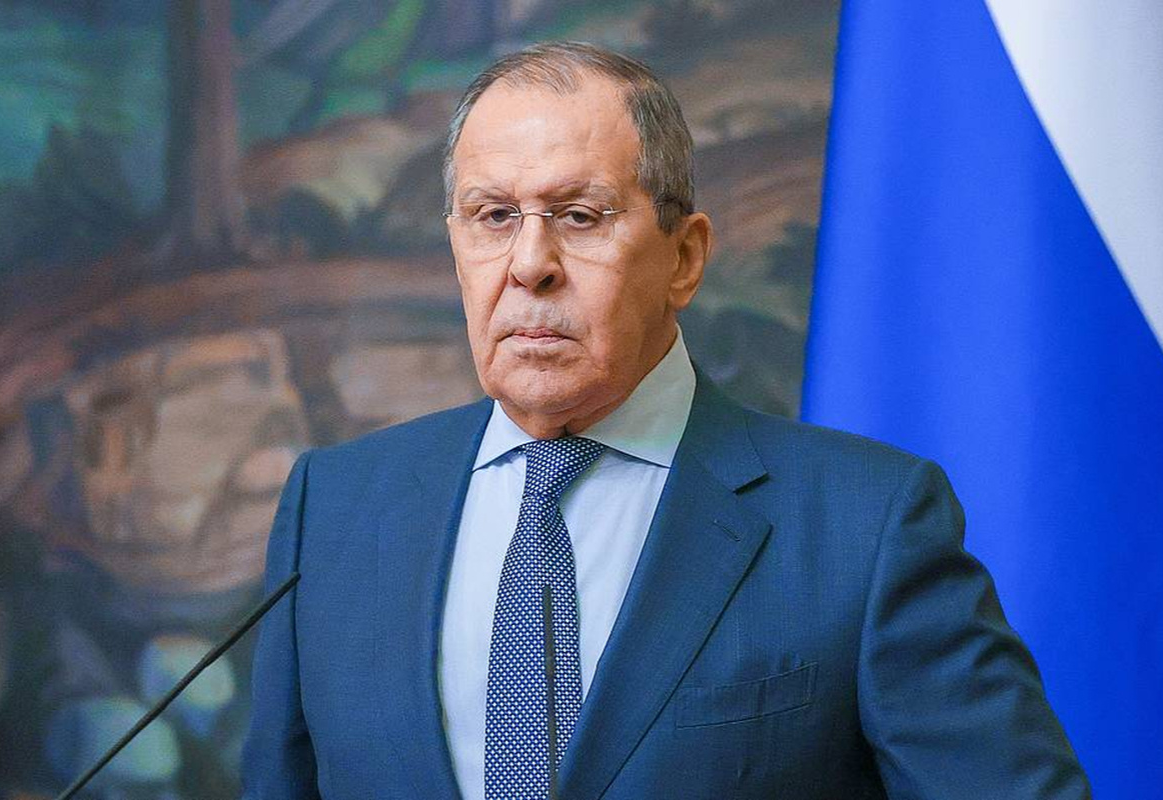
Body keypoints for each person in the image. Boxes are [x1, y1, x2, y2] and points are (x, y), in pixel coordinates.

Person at [242, 41, 1090, 799]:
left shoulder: (867, 525)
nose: (529, 264)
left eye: (580, 216)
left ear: (684, 258)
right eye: (493, 216)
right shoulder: (334, 508)